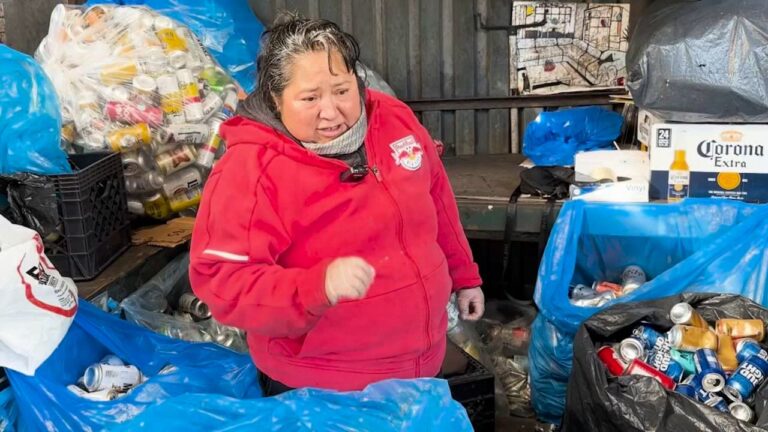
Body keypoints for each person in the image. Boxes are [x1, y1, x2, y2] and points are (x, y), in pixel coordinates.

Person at [189, 12, 485, 396]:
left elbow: (437, 200)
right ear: (276, 99)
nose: (331, 112)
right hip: (323, 389)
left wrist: (464, 277)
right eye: (310, 98)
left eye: (342, 91)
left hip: (421, 366)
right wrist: (317, 288)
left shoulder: (393, 120)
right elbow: (224, 282)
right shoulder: (251, 168)